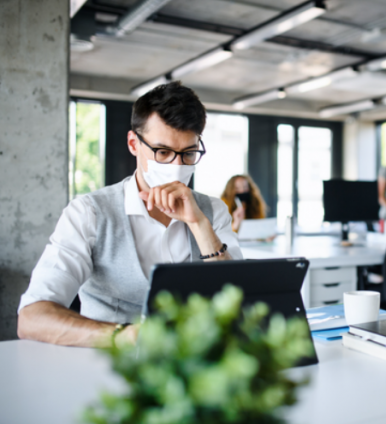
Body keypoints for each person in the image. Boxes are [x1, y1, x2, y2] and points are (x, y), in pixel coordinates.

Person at [17, 81, 242, 349]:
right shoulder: (88, 213)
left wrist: (198, 224)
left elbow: (238, 301)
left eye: (189, 154)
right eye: (163, 152)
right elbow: (31, 318)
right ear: (133, 143)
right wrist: (128, 336)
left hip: (195, 369)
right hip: (105, 368)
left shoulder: (212, 211)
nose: (177, 166)